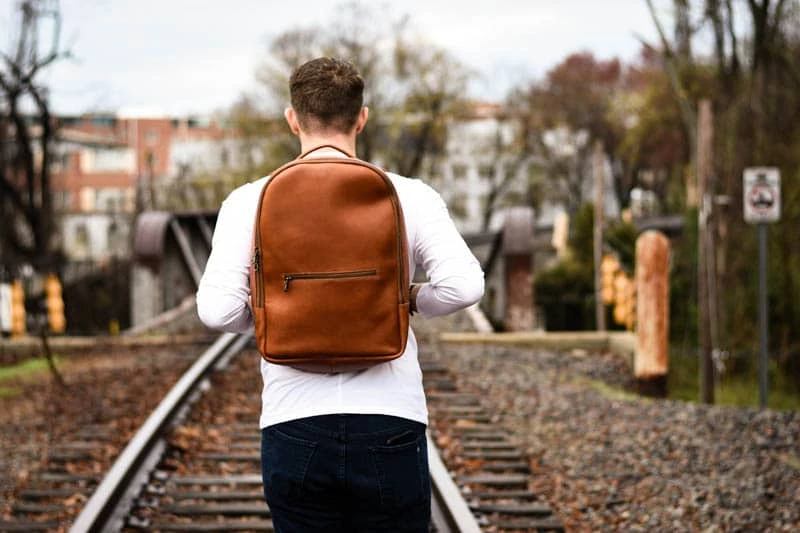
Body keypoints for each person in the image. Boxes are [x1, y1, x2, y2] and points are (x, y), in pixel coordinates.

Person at [196, 57, 484, 532]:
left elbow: (216, 310)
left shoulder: (248, 200)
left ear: (293, 119)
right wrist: (409, 299)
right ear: (361, 118)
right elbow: (464, 286)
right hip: (390, 418)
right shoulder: (410, 195)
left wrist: (278, 312)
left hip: (294, 422)